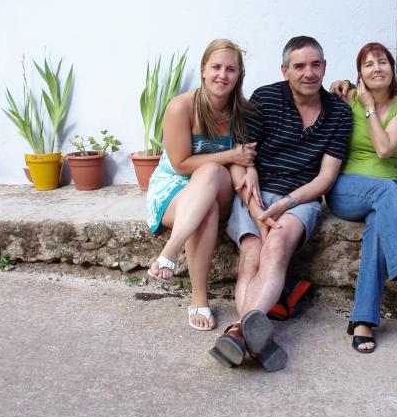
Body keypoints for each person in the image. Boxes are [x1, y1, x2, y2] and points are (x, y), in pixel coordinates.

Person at [209, 36, 352, 371]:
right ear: (285, 71)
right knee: (251, 254)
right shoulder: (265, 98)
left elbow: (326, 178)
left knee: (275, 246)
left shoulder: (339, 113)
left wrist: (287, 202)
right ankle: (251, 337)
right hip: (255, 194)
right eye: (299, 66)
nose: (308, 73)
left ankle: (238, 333)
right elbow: (242, 160)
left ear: (325, 67)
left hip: (301, 199)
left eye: (315, 65)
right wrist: (256, 209)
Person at [325, 42, 397, 354]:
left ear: (392, 68)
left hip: (384, 195)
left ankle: (362, 320)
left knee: (378, 229)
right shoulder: (349, 100)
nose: (377, 69)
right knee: (392, 191)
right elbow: (327, 96)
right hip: (346, 189)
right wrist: (346, 91)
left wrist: (370, 107)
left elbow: (385, 149)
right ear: (360, 74)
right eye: (368, 64)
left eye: (382, 62)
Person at [145, 39, 256, 332]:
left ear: (239, 75)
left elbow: (241, 161)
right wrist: (230, 155)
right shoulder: (181, 107)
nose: (222, 75)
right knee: (206, 207)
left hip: (217, 186)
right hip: (174, 185)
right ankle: (199, 298)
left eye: (230, 69)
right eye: (216, 67)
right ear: (204, 70)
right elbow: (181, 164)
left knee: (210, 172)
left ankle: (170, 252)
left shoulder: (243, 112)